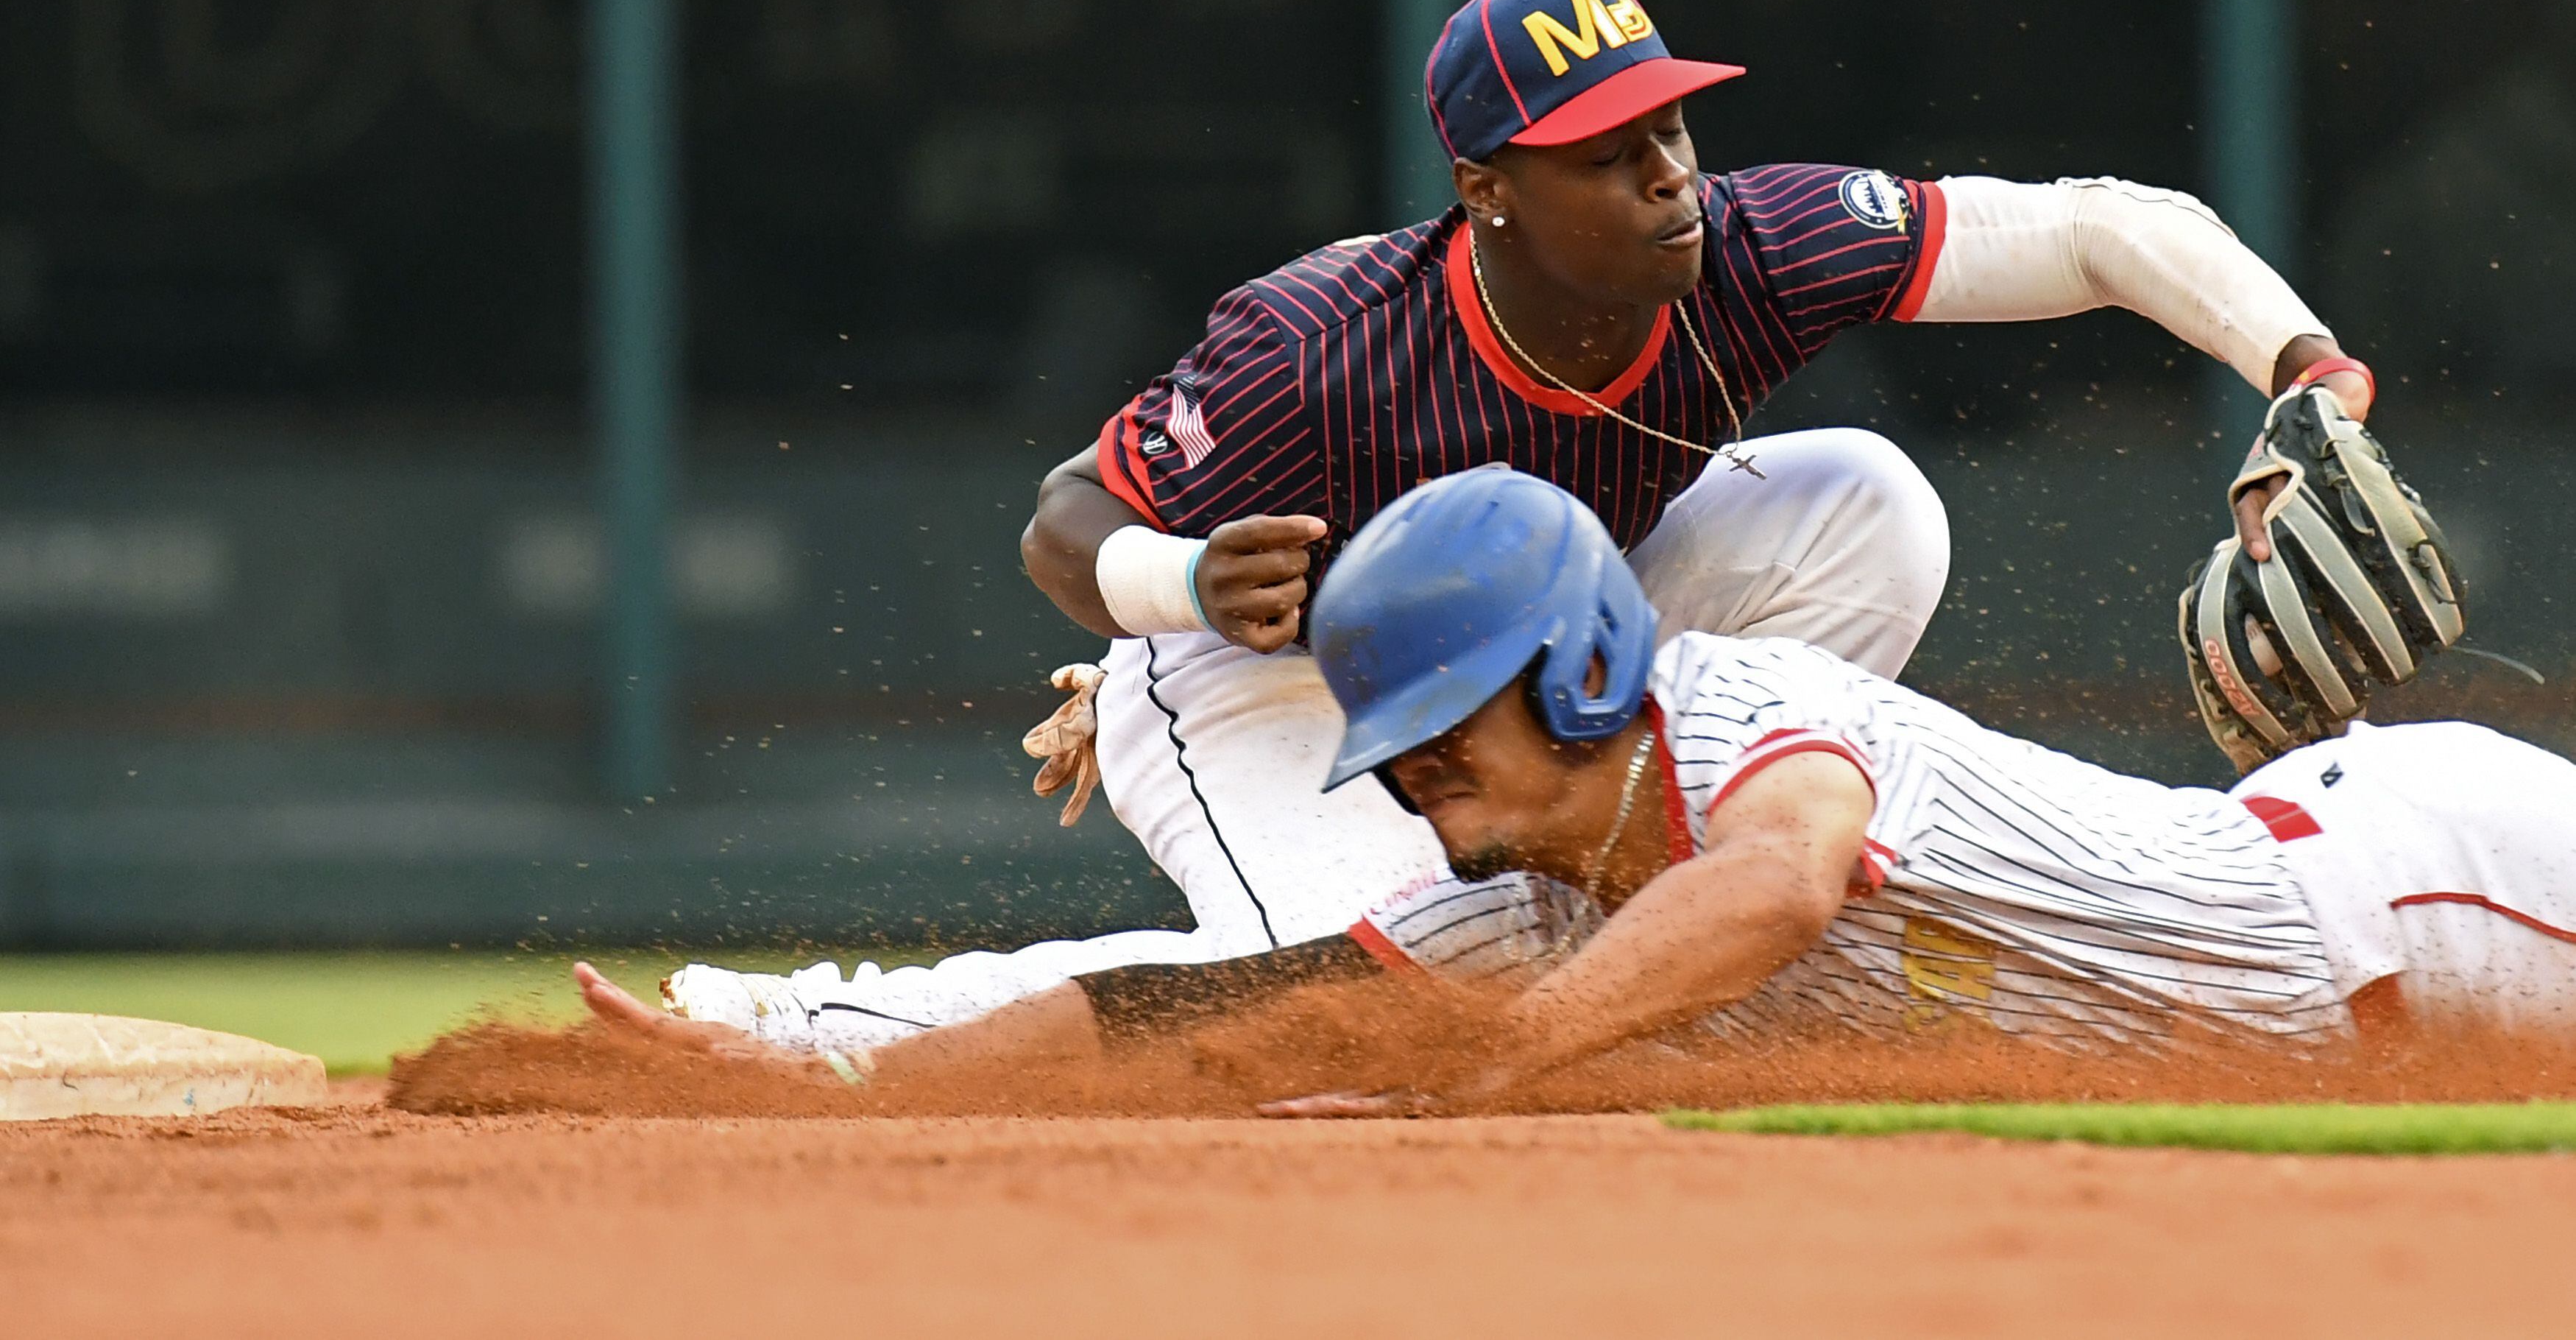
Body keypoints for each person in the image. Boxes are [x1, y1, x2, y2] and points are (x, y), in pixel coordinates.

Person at [659, 0, 2379, 1058]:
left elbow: (2088, 226)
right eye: (1602, 146)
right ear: (1483, 186)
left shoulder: (1749, 248)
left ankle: (1649, 910)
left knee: (1867, 503)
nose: (1663, 171)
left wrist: (2300, 363)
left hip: (1525, 646)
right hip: (1267, 673)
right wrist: (1173, 587)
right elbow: (1058, 526)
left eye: (1668, 124)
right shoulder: (1328, 348)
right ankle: (822, 1026)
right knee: (1353, 979)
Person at [575, 470, 2576, 1103]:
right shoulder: (1526, 893)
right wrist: (816, 1064)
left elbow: (1785, 882)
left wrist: (1497, 1049)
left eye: (1455, 749)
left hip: (2414, 884)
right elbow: (1190, 1010)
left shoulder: (1747, 717)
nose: (1437, 808)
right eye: (1409, 770)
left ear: (1587, 666)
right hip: (2352, 990)